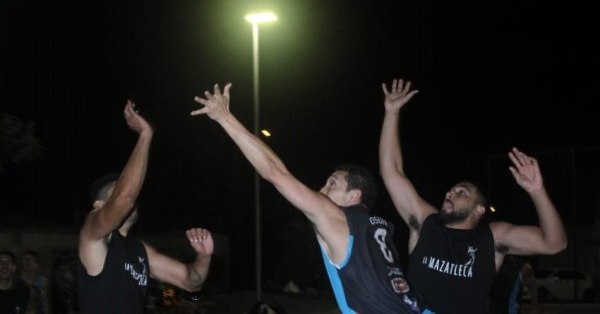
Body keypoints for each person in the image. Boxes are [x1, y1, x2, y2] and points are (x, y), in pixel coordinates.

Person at [191, 83, 432, 314]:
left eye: (332, 183)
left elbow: (275, 172)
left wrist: (224, 116)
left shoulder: (340, 219)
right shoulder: (378, 228)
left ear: (354, 196)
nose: (322, 188)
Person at [378, 78, 567, 314]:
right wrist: (392, 113)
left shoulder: (492, 238)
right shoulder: (427, 223)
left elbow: (555, 243)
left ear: (479, 209)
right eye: (451, 189)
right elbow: (392, 172)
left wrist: (538, 192)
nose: (450, 192)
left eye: (461, 192)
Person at [77, 100, 214, 314]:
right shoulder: (92, 234)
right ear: (98, 205)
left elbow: (191, 281)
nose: (131, 193)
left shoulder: (139, 250)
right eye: (115, 190)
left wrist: (204, 256)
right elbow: (124, 199)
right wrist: (145, 135)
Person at [0, 250, 34, 314]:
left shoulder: (23, 290)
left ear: (13, 268)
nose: (4, 266)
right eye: (0, 262)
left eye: (8, 262)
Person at [20, 250, 49, 314]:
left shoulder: (43, 281)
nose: (27, 261)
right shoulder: (16, 280)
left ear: (36, 263)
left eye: (30, 259)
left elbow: (44, 300)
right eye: (25, 259)